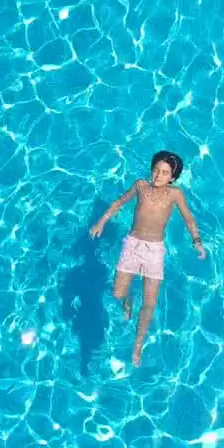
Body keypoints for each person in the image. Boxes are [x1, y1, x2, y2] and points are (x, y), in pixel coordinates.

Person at [89, 150, 206, 366]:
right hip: (132, 245)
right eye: (156, 170)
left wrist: (196, 241)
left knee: (150, 304)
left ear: (172, 177)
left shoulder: (175, 194)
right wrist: (101, 222)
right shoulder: (141, 186)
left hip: (154, 251)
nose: (158, 176)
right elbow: (119, 202)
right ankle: (128, 300)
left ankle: (137, 345)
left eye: (164, 173)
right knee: (117, 293)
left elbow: (189, 219)